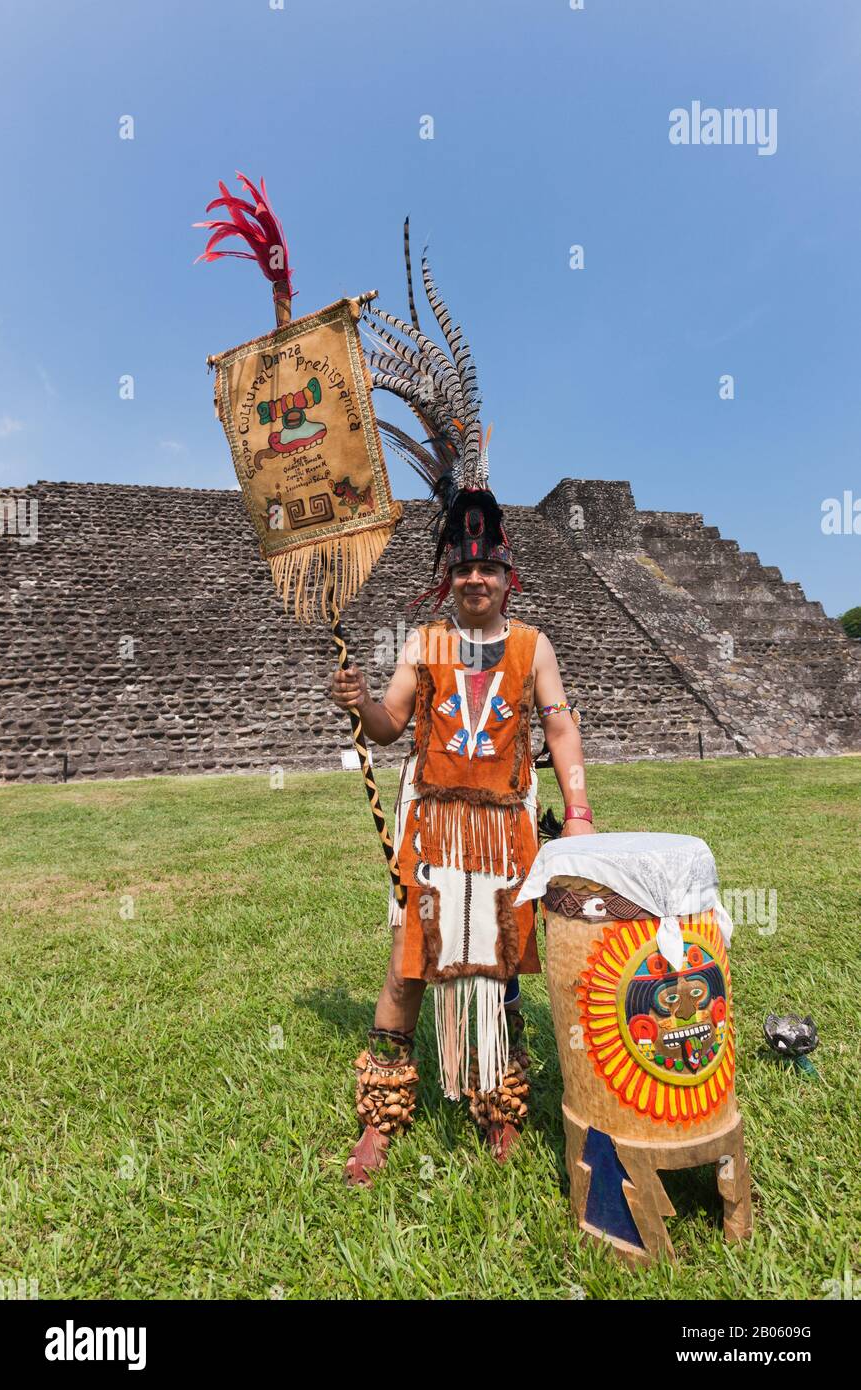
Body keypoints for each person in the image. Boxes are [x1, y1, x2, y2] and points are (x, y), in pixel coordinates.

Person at [331, 230, 595, 1186]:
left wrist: (582, 803)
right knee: (411, 966)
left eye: (489, 563)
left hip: (508, 829)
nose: (477, 574)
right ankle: (382, 1114)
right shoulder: (427, 643)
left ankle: (496, 1097)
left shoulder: (533, 648)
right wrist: (362, 703)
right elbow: (396, 724)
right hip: (436, 827)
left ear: (507, 573)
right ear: (446, 578)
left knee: (499, 969)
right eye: (464, 564)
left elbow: (559, 724)